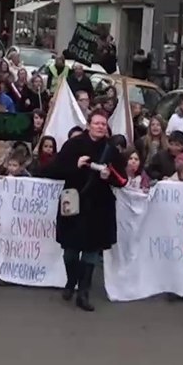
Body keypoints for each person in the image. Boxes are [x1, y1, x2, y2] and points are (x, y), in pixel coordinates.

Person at [53, 111, 129, 312]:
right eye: (96, 123)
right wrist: (75, 165)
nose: (100, 127)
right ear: (88, 125)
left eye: (103, 124)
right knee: (70, 252)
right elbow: (54, 169)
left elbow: (122, 180)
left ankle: (83, 293)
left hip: (98, 206)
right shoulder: (74, 145)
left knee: (91, 252)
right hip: (74, 202)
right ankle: (71, 282)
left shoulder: (111, 150)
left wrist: (108, 176)